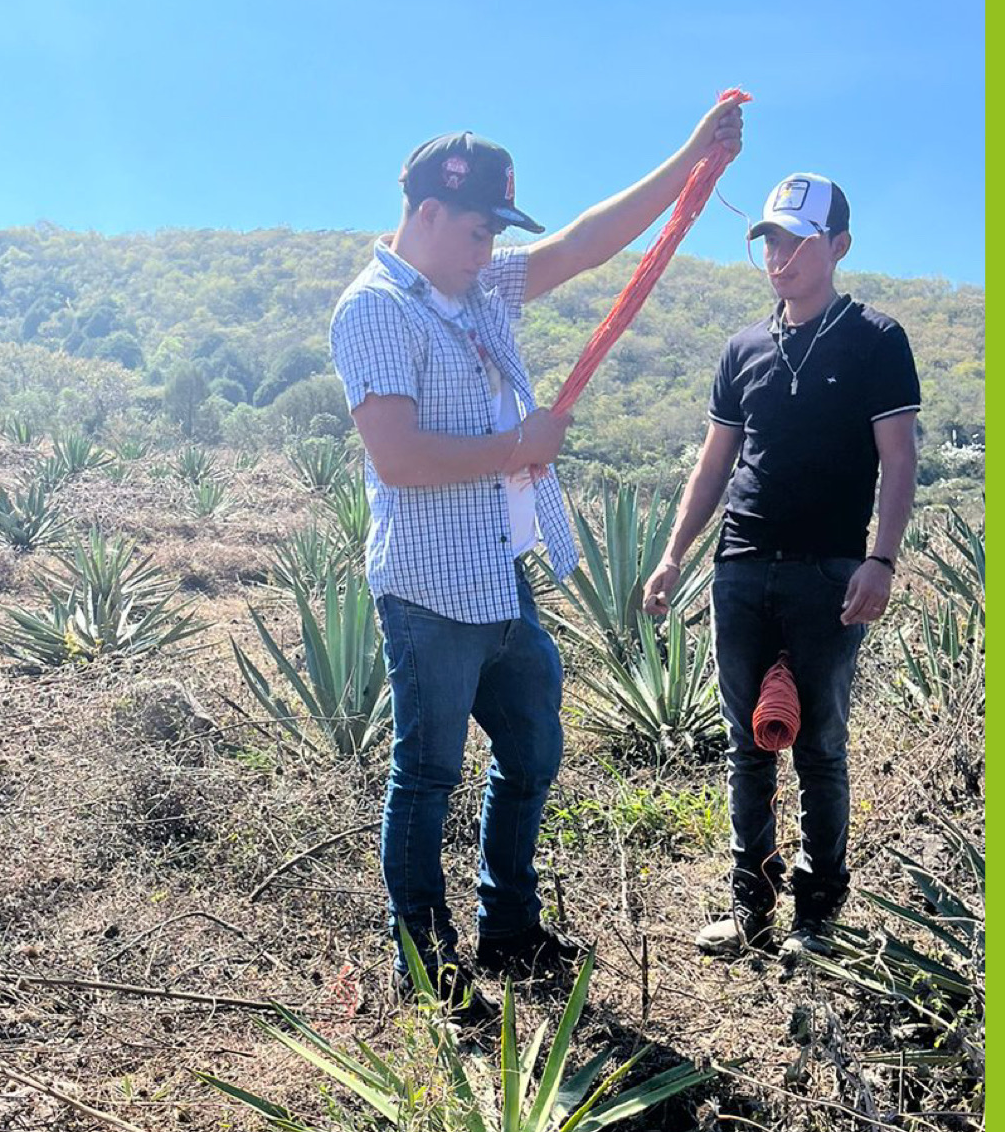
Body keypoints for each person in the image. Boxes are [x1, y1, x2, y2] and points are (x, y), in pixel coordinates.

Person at [328, 98, 745, 1012]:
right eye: (479, 230)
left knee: (532, 750)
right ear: (427, 211)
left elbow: (591, 241)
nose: (488, 249)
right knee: (428, 770)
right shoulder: (373, 311)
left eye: (496, 234)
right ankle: (424, 958)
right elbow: (396, 458)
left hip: (501, 578)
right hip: (430, 590)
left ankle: (508, 928)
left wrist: (690, 159)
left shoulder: (479, 290)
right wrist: (519, 445)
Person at [642, 174, 920, 958]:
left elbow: (898, 460)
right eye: (770, 239)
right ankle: (751, 911)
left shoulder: (875, 338)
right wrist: (673, 556)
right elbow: (713, 465)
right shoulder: (743, 349)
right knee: (747, 746)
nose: (780, 256)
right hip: (741, 566)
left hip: (832, 571)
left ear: (838, 247)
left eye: (797, 241)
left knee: (821, 747)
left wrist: (882, 559)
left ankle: (817, 916)